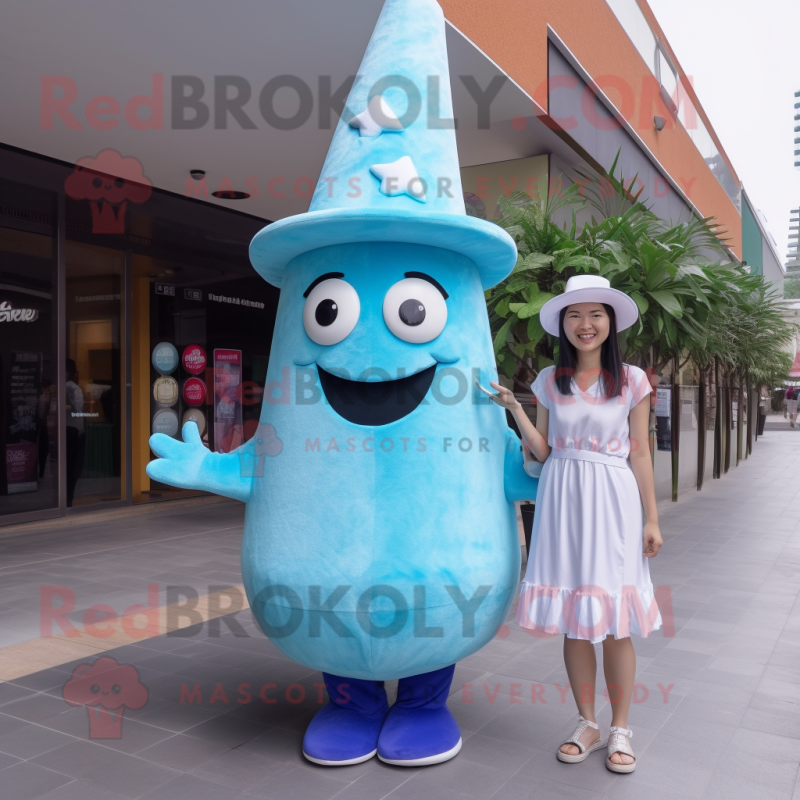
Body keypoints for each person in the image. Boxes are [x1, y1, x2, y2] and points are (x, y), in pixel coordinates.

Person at [486, 274, 662, 774]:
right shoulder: (549, 380)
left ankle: (621, 727)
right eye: (575, 315)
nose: (586, 324)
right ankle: (587, 721)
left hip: (613, 498)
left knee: (615, 619)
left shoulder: (632, 380)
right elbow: (544, 452)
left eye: (595, 314)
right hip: (561, 498)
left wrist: (652, 518)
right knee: (576, 617)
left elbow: (641, 452)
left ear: (610, 321)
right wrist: (516, 409)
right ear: (563, 324)